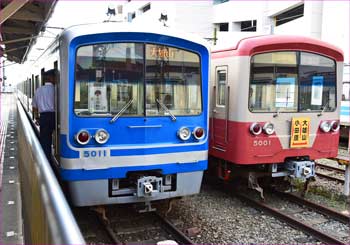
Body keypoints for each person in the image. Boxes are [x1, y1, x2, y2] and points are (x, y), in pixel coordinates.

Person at [32, 69, 55, 160]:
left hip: (44, 117)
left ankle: (46, 161)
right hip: (56, 116)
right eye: (54, 77)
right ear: (51, 78)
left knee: (45, 140)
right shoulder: (56, 89)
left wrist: (37, 117)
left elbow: (34, 107)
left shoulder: (38, 90)